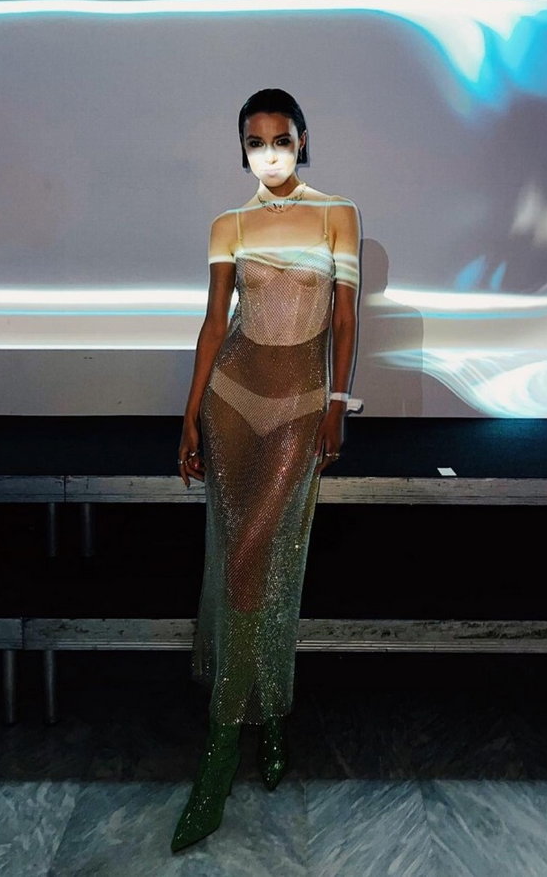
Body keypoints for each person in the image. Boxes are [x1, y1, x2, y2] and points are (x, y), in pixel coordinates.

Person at [172, 88, 360, 853]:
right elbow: (214, 323)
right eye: (256, 141)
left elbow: (344, 318)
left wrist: (339, 403)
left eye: (281, 138)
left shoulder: (338, 214)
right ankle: (268, 715)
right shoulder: (231, 224)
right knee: (243, 563)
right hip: (231, 401)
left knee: (259, 557)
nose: (269, 152)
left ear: (302, 140)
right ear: (243, 149)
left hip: (299, 405)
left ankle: (223, 750)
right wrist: (189, 413)